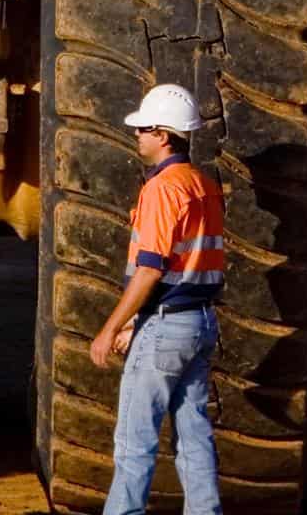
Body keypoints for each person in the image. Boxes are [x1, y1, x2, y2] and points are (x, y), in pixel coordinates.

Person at [89, 84, 226, 515]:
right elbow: (187, 267)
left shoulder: (163, 189)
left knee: (134, 442)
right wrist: (138, 320)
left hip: (166, 328)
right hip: (200, 324)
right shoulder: (203, 185)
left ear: (164, 135)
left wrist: (110, 328)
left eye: (144, 129)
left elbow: (151, 267)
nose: (137, 136)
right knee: (194, 437)